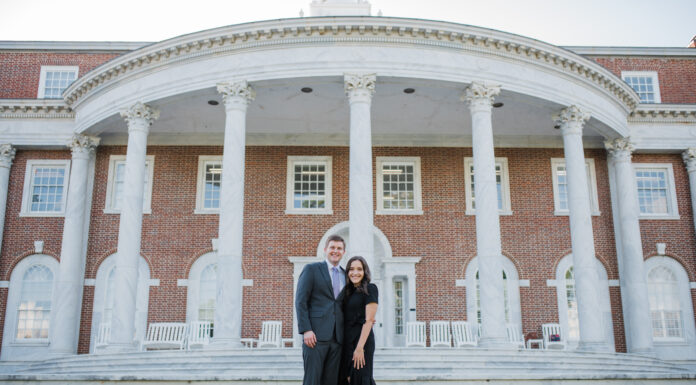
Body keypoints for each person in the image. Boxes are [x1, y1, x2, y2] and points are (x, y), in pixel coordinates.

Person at [296, 235, 347, 385]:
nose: (335, 251)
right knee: (312, 380)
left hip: (338, 338)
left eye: (339, 248)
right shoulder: (312, 269)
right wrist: (306, 330)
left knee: (331, 381)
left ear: (344, 252)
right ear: (325, 250)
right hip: (315, 337)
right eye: (332, 247)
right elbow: (301, 301)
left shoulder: (347, 275)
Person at [339, 256, 378, 385]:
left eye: (359, 269)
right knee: (348, 378)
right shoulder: (347, 292)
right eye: (351, 269)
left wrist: (360, 348)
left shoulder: (370, 288)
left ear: (365, 271)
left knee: (360, 379)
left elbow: (369, 320)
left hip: (361, 342)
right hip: (346, 342)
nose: (355, 272)